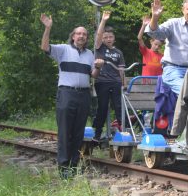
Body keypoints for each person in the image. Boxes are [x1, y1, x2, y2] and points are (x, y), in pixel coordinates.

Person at [40, 13, 103, 178]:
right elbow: (45, 47)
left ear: (86, 38)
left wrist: (98, 67)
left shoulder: (90, 54)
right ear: (73, 36)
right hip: (66, 93)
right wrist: (48, 28)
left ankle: (73, 165)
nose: (81, 36)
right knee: (64, 131)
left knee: (78, 132)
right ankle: (63, 167)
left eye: (84, 34)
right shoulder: (63, 50)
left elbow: (94, 75)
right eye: (79, 33)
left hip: (83, 95)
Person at [145, 0, 188, 94]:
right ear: (183, 10)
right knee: (186, 91)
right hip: (173, 69)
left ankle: (186, 109)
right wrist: (154, 18)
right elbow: (154, 34)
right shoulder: (173, 24)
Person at [92, 10, 126, 140]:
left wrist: (123, 83)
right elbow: (99, 34)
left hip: (116, 82)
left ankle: (123, 130)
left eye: (110, 37)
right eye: (105, 37)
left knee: (119, 106)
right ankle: (98, 132)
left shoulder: (118, 52)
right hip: (102, 81)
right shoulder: (100, 48)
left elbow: (121, 70)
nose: (108, 39)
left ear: (114, 38)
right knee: (103, 106)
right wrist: (104, 20)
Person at [137, 15, 163, 81]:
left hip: (158, 82)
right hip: (146, 82)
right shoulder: (146, 51)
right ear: (151, 42)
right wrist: (144, 26)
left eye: (159, 46)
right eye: (155, 44)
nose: (157, 47)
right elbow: (139, 38)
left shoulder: (162, 56)